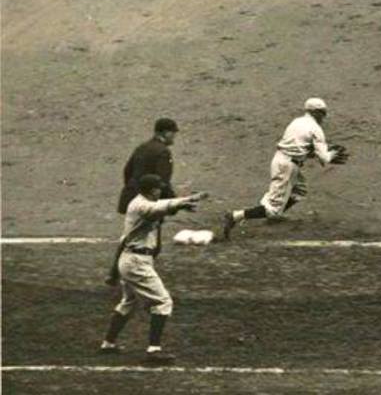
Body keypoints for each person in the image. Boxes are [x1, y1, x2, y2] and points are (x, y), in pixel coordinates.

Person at [100, 174, 208, 363]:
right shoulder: (141, 206)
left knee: (129, 302)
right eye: (158, 187)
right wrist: (187, 201)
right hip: (136, 262)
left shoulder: (140, 202)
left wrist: (113, 272)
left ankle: (108, 343)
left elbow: (162, 205)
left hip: (132, 259)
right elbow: (159, 207)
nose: (161, 190)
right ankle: (153, 350)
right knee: (163, 302)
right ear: (152, 190)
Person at [221, 98, 347, 238]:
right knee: (272, 210)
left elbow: (300, 150)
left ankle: (272, 211)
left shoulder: (297, 122)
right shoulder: (316, 129)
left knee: (299, 192)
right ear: (316, 113)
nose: (324, 117)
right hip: (287, 166)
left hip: (282, 160)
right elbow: (324, 159)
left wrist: (322, 153)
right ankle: (235, 216)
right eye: (323, 113)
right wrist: (332, 154)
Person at [118, 118, 179, 215]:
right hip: (150, 201)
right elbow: (162, 180)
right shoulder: (163, 151)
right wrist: (173, 203)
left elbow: (127, 171)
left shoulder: (142, 147)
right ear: (165, 133)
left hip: (133, 198)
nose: (174, 136)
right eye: (173, 133)